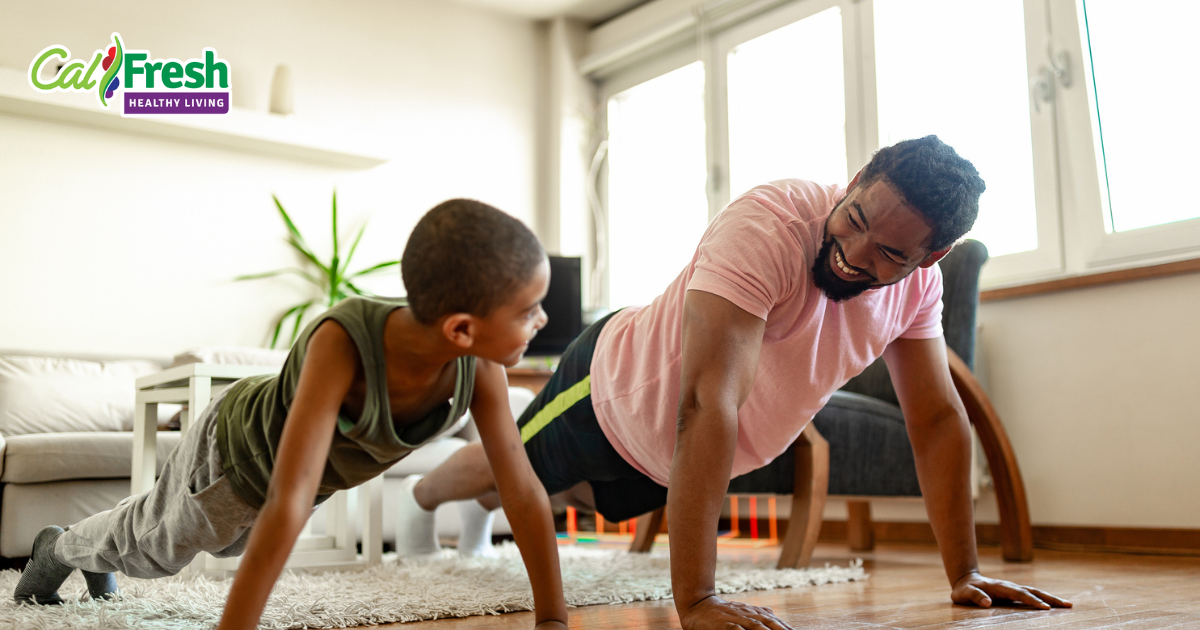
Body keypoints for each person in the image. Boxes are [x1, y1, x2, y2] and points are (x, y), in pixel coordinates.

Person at [401, 136, 1073, 629]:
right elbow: (707, 401)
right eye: (857, 219)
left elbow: (935, 418)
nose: (856, 254)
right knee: (512, 464)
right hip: (613, 388)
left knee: (559, 490)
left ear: (933, 257)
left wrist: (965, 573)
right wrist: (696, 599)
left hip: (667, 459)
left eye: (893, 254)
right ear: (859, 176)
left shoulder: (917, 292)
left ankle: (485, 505)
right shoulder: (770, 226)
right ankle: (422, 498)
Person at [14, 199, 569, 630]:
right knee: (157, 551)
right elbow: (289, 499)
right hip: (233, 454)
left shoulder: (481, 367)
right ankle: (59, 548)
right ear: (462, 328)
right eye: (529, 311)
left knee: (214, 541)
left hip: (284, 475)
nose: (542, 321)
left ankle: (88, 543)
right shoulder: (343, 341)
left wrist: (552, 618)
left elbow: (520, 490)